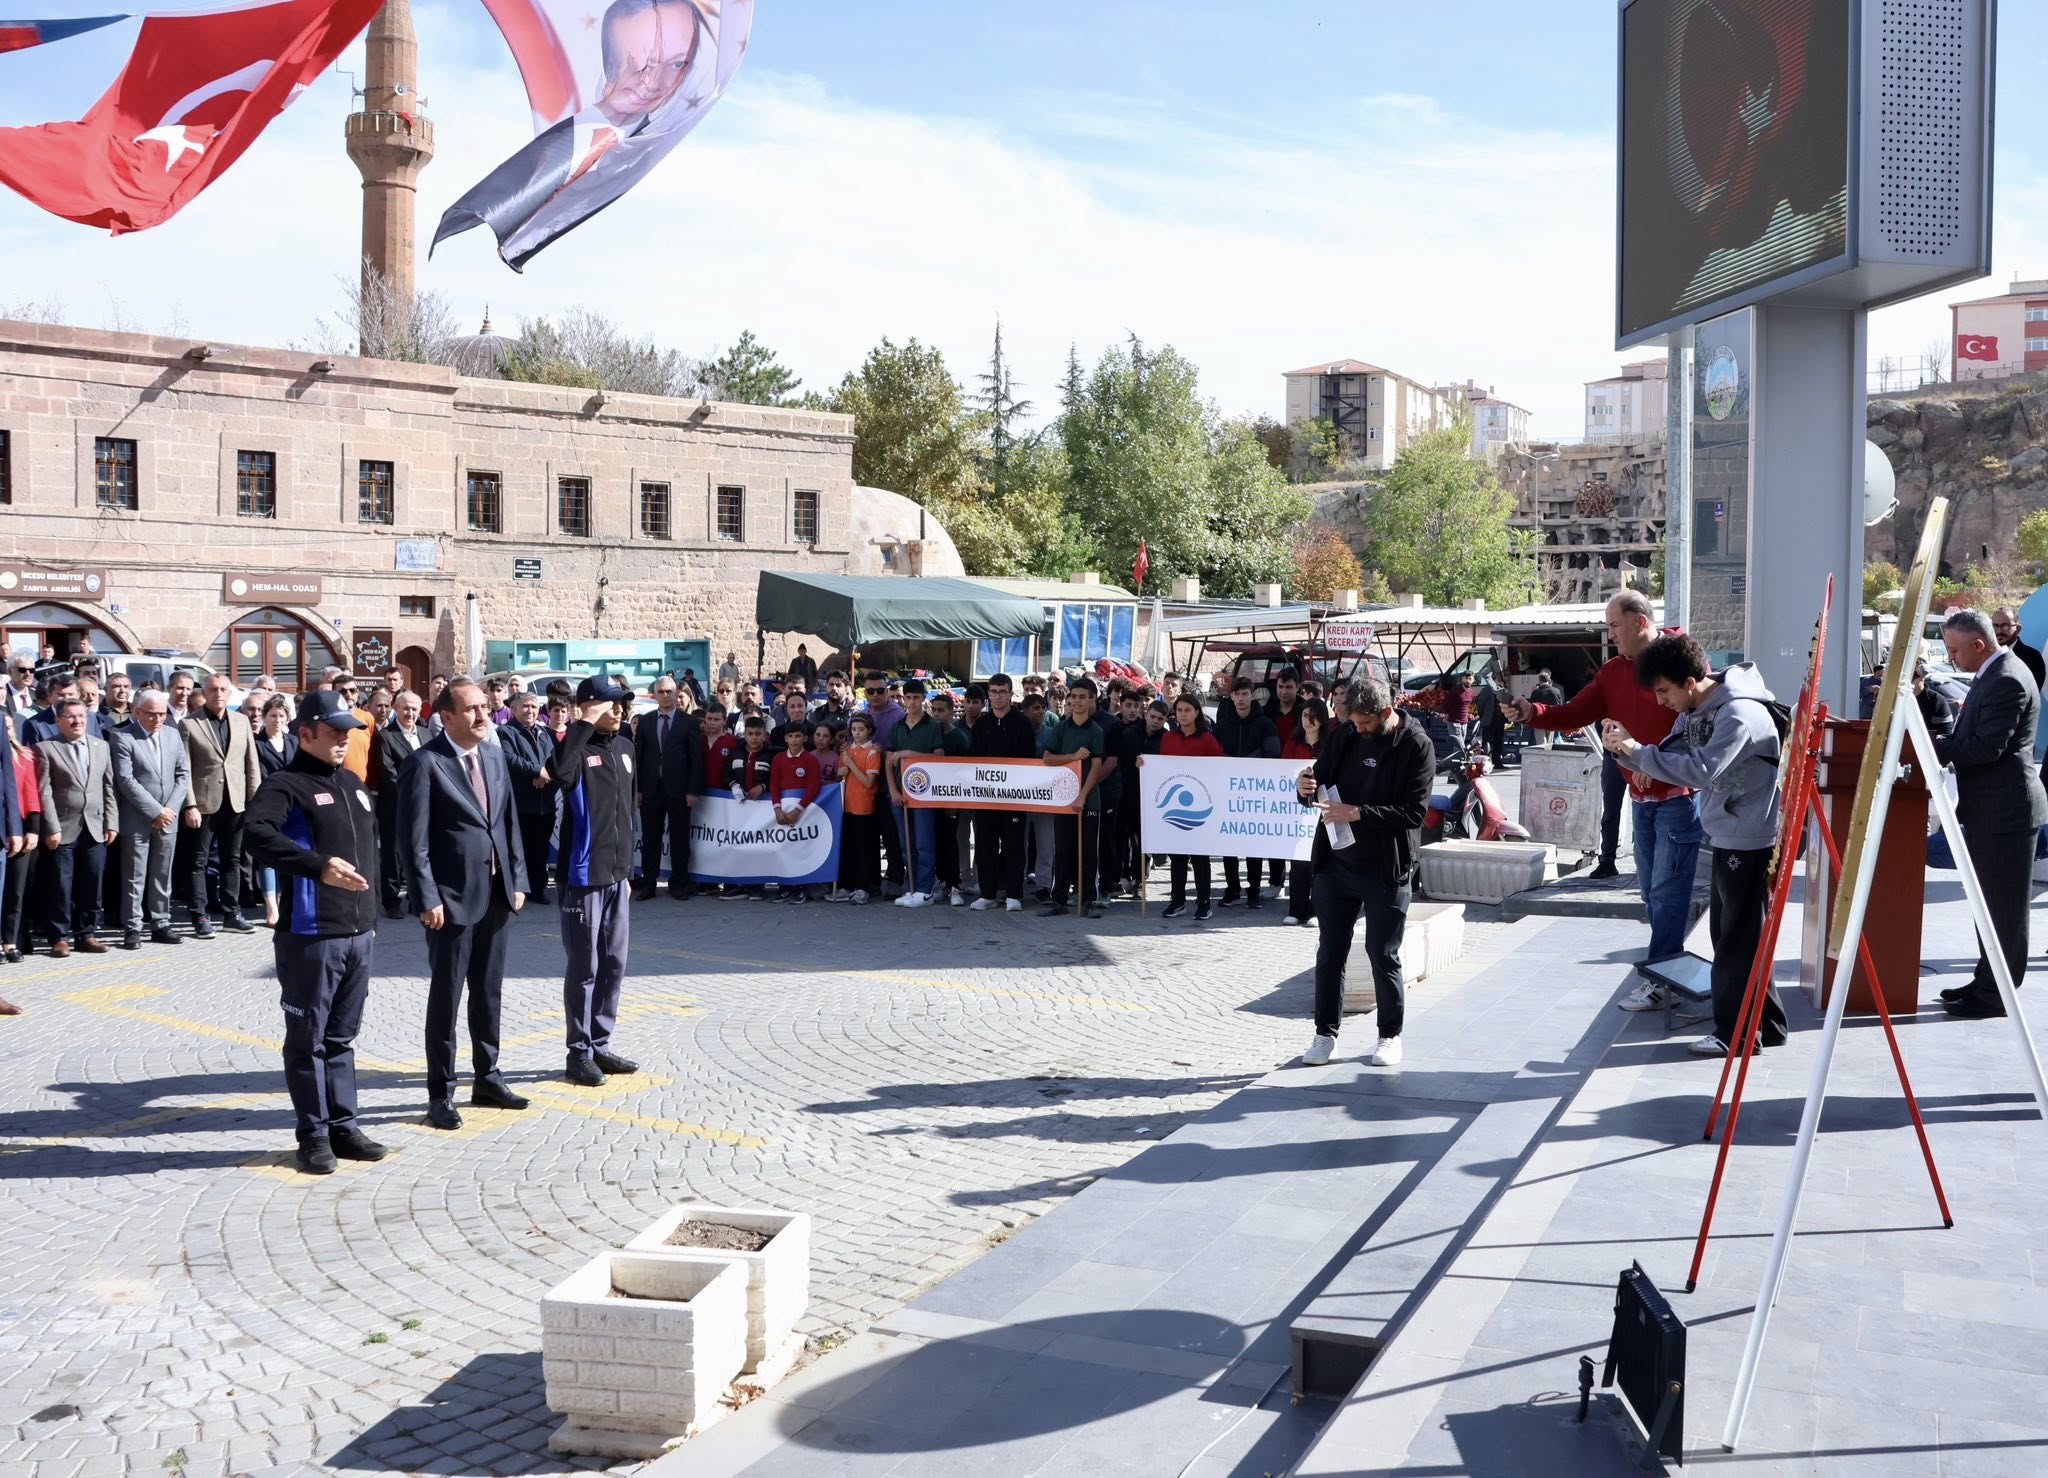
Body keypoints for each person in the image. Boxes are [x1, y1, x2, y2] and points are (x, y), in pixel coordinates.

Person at [1512, 590, 1702, 1004]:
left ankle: (1661, 981)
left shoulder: (1682, 660)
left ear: (1639, 621)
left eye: (1614, 625)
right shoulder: (1615, 671)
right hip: (1642, 801)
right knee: (1653, 893)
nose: (1609, 634)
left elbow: (1698, 724)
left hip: (1678, 798)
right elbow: (1577, 712)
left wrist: (1654, 763)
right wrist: (1532, 713)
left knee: (1668, 895)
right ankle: (1666, 971)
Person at [1604, 636, 1787, 1057]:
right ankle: (1769, 1024)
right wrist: (1627, 752)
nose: (1662, 702)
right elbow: (1670, 751)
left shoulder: (1739, 713)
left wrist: (1640, 753)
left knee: (1735, 940)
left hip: (1749, 837)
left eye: (1665, 692)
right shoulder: (1695, 709)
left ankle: (1736, 1034)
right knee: (1738, 934)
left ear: (1689, 682)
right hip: (1729, 831)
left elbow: (1703, 770)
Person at [243, 691, 386, 1176]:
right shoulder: (286, 784)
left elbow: (370, 852)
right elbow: (257, 835)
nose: (344, 739)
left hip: (357, 931)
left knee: (342, 1038)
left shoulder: (353, 783)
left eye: (348, 732)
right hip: (310, 932)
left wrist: (371, 917)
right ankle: (313, 1134)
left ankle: (343, 1125)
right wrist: (316, 867)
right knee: (308, 1039)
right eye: (333, 732)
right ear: (305, 733)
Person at [400, 678, 530, 1126]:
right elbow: (412, 843)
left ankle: (488, 1076)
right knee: (447, 998)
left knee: (488, 992)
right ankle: (441, 1092)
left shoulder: (492, 755)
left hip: (496, 895)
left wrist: (517, 879)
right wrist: (426, 896)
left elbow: (508, 821)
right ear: (446, 717)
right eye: (471, 709)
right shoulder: (425, 764)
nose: (482, 715)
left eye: (484, 707)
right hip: (451, 902)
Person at [1294, 678, 1433, 1068]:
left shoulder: (1416, 745)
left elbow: (1414, 813)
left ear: (1387, 713)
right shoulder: (1345, 735)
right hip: (1336, 863)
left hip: (1386, 866)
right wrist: (1304, 787)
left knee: (1382, 954)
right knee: (1330, 952)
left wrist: (1357, 813)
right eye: (1353, 722)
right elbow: (1318, 783)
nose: (1359, 729)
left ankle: (1390, 1036)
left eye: (1366, 723)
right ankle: (1325, 1035)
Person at [1932, 609, 2048, 1019]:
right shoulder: (1994, 673)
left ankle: (1997, 995)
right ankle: (1986, 979)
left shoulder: (2008, 679)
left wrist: (1931, 747)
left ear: (1979, 645)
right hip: (1992, 809)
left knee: (2004, 909)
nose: (1952, 659)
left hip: (2007, 811)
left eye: (1955, 650)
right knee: (1989, 906)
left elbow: (1986, 747)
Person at [554, 676, 639, 1083]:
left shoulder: (625, 748)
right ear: (589, 708)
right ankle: (578, 1051)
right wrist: (581, 726)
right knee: (584, 967)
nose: (619, 710)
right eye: (610, 704)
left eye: (623, 703)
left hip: (617, 875)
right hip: (583, 876)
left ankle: (600, 1045)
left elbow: (628, 812)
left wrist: (629, 869)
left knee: (614, 964)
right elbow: (559, 773)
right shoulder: (576, 747)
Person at [33, 698, 118, 957]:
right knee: (60, 885)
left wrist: (111, 822)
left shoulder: (101, 746)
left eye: (81, 716)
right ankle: (59, 937)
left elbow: (108, 787)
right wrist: (51, 827)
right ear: (58, 721)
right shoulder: (46, 748)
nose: (77, 721)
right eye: (70, 717)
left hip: (95, 826)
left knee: (92, 882)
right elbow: (43, 791)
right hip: (63, 828)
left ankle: (87, 934)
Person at [179, 674, 262, 937]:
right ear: (204, 691)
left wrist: (254, 801)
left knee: (233, 859)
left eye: (223, 689)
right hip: (203, 804)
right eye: (213, 689)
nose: (218, 694)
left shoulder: (241, 722)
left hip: (236, 802)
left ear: (230, 692)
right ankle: (200, 915)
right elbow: (184, 769)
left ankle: (232, 913)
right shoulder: (189, 724)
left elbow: (251, 764)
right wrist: (189, 804)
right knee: (198, 861)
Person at [109, 691, 189, 950]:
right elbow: (126, 780)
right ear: (137, 712)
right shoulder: (122, 737)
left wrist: (170, 809)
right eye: (151, 714)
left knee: (162, 873)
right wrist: (156, 811)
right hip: (138, 817)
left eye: (162, 714)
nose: (157, 719)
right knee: (135, 874)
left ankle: (161, 922)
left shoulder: (172, 734)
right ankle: (133, 926)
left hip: (169, 818)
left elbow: (183, 775)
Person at [1043, 676, 1114, 919]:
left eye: (1082, 697)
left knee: (1089, 852)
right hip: (1062, 797)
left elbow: (1096, 767)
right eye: (1073, 697)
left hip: (1088, 800)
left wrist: (1082, 796)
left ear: (1092, 699)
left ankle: (1088, 900)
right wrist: (1072, 756)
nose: (1077, 701)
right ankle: (1059, 899)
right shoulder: (1061, 728)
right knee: (1062, 849)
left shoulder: (1096, 731)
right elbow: (1048, 758)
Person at [969, 675, 1037, 912]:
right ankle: (987, 893)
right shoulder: (981, 724)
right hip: (985, 798)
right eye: (994, 691)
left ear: (1010, 694)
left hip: (1014, 798)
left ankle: (1013, 894)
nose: (997, 696)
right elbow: (972, 761)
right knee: (985, 845)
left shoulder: (1022, 723)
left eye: (1002, 691)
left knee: (1014, 846)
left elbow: (1028, 758)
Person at [1214, 678, 1281, 909]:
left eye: (1245, 693)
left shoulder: (1265, 724)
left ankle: (1254, 890)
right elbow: (1213, 757)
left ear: (1252, 695)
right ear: (1231, 696)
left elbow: (1273, 758)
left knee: (1254, 844)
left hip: (1256, 794)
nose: (1241, 699)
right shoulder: (1221, 725)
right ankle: (1233, 889)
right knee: (1228, 843)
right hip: (1228, 793)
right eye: (1237, 694)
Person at [633, 675, 700, 902]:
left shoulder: (688, 722)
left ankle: (679, 883)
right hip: (651, 789)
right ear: (655, 695)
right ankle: (648, 883)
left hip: (679, 790)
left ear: (675, 693)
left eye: (669, 692)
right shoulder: (646, 721)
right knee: (650, 838)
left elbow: (695, 760)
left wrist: (693, 791)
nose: (665, 696)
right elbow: (639, 757)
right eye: (660, 692)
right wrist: (638, 789)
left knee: (680, 839)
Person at [1160, 694, 1223, 920]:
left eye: (1188, 710)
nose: (1183, 714)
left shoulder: (1207, 739)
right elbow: (1160, 768)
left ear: (1197, 712)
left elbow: (1219, 767)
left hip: (1200, 806)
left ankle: (1204, 903)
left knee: (1199, 858)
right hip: (1174, 806)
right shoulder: (1168, 738)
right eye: (1179, 710)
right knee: (1177, 857)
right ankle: (1177, 901)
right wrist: (1144, 764)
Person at [886, 679, 945, 908]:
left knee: (923, 842)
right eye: (908, 697)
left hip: (924, 793)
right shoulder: (897, 726)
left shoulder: (932, 726)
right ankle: (912, 887)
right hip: (900, 793)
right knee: (905, 843)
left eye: (916, 698)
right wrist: (892, 789)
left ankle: (926, 888)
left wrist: (911, 753)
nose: (911, 702)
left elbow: (939, 757)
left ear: (923, 699)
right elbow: (888, 761)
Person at [499, 691, 558, 905]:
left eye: (534, 706)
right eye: (525, 706)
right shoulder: (506, 732)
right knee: (520, 849)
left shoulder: (545, 733)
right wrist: (536, 771)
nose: (530, 710)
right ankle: (518, 889)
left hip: (545, 803)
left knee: (540, 849)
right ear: (514, 709)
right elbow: (508, 758)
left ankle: (538, 888)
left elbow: (555, 760)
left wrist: (545, 775)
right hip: (521, 804)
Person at [1281, 698, 1331, 927]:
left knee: (1318, 862)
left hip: (1321, 809)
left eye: (1312, 716)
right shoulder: (1293, 744)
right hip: (1296, 811)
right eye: (1304, 715)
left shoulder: (1329, 745)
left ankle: (1317, 910)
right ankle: (1296, 909)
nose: (1307, 721)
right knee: (1298, 861)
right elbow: (1281, 773)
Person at [769, 717, 823, 904]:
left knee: (801, 849)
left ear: (805, 738)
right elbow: (774, 785)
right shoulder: (778, 759)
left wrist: (798, 810)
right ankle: (785, 887)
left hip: (803, 813)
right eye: (790, 736)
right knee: (782, 848)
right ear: (785, 739)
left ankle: (801, 888)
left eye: (797, 736)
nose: (794, 740)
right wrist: (777, 809)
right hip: (783, 811)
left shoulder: (810, 759)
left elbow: (814, 787)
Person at [2, 711, 38, 968]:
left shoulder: (24, 757)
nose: (6, 731)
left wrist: (32, 830)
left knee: (15, 891)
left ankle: (10, 941)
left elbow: (31, 796)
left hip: (20, 829)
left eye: (9, 726)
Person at [931, 691, 970, 905]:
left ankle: (955, 885)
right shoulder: (929, 733)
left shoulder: (959, 737)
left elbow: (965, 770)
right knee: (936, 841)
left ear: (951, 712)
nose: (937, 714)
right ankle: (942, 883)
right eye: (934, 710)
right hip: (930, 798)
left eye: (941, 710)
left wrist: (956, 802)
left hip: (953, 798)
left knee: (952, 843)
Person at [839, 713, 882, 904]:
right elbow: (840, 772)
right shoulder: (847, 750)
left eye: (861, 729)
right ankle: (849, 884)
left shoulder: (873, 752)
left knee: (864, 848)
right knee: (850, 847)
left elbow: (868, 781)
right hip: (847, 804)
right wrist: (843, 767)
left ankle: (865, 887)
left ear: (869, 731)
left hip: (864, 805)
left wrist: (851, 765)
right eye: (854, 729)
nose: (857, 733)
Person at [1991, 607, 2047, 691]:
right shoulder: (1986, 654)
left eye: (2005, 626)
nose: (1999, 631)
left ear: (2018, 629)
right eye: (1995, 626)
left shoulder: (2032, 657)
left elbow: (2029, 693)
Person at [1528, 670, 1564, 749]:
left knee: (1540, 744)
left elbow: (1531, 708)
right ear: (1549, 680)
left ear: (1539, 680)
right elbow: (1560, 706)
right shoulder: (1556, 691)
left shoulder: (1535, 692)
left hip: (1538, 721)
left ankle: (1541, 760)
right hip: (1551, 720)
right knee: (1549, 744)